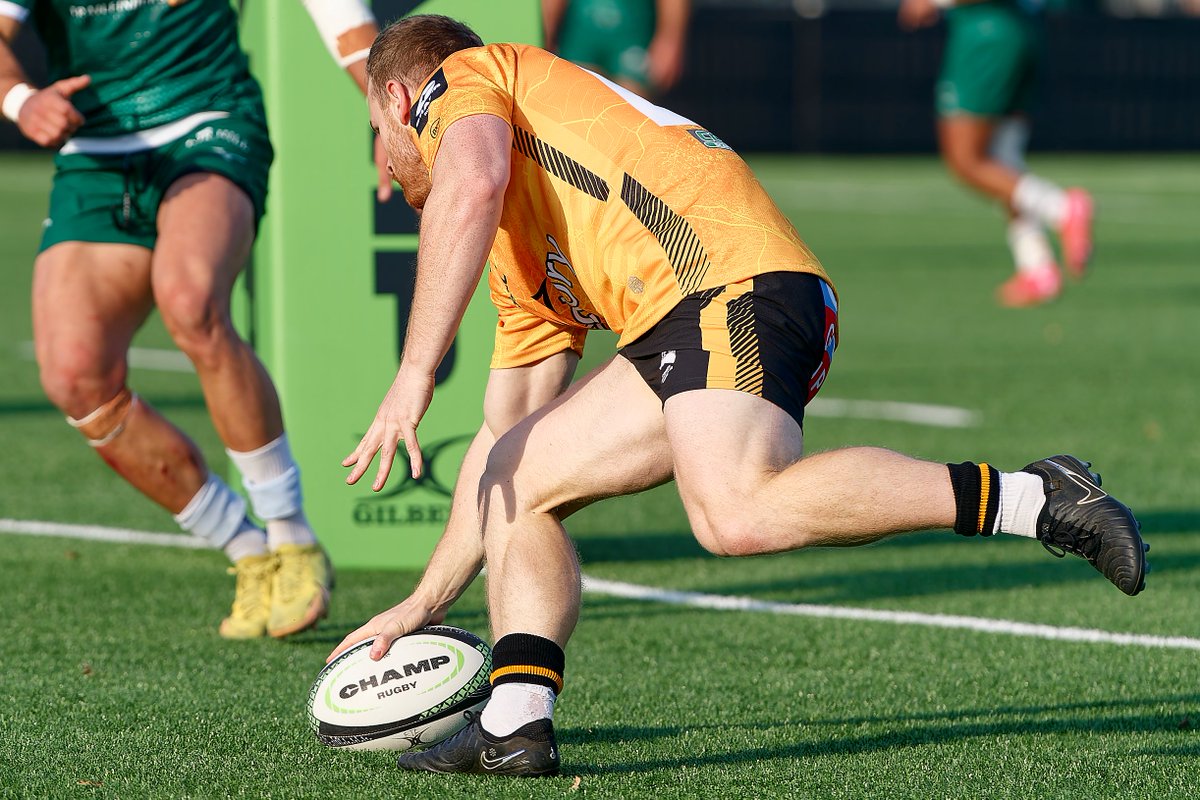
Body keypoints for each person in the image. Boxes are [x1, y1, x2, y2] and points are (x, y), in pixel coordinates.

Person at [330, 15, 1147, 777]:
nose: (383, 159)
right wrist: (421, 603)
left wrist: (413, 376)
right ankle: (516, 721)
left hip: (730, 283)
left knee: (733, 513)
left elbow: (470, 178)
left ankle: (1036, 496)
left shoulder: (466, 75)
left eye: (377, 134)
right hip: (689, 311)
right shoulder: (520, 252)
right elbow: (498, 456)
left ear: (402, 98)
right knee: (521, 473)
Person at [0, 0, 389, 638]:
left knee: (191, 300)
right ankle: (245, 549)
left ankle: (292, 539)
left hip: (208, 122)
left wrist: (393, 116)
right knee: (74, 376)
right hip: (95, 153)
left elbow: (337, 13)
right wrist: (20, 100)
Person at [898, 0, 1093, 307]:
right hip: (1024, 29)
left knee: (966, 161)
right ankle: (1037, 267)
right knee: (1004, 163)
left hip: (987, 32)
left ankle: (1062, 207)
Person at [541, 0, 689, 97]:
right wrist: (547, 30)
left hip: (632, 30)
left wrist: (670, 38)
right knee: (578, 102)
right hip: (581, 29)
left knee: (632, 110)